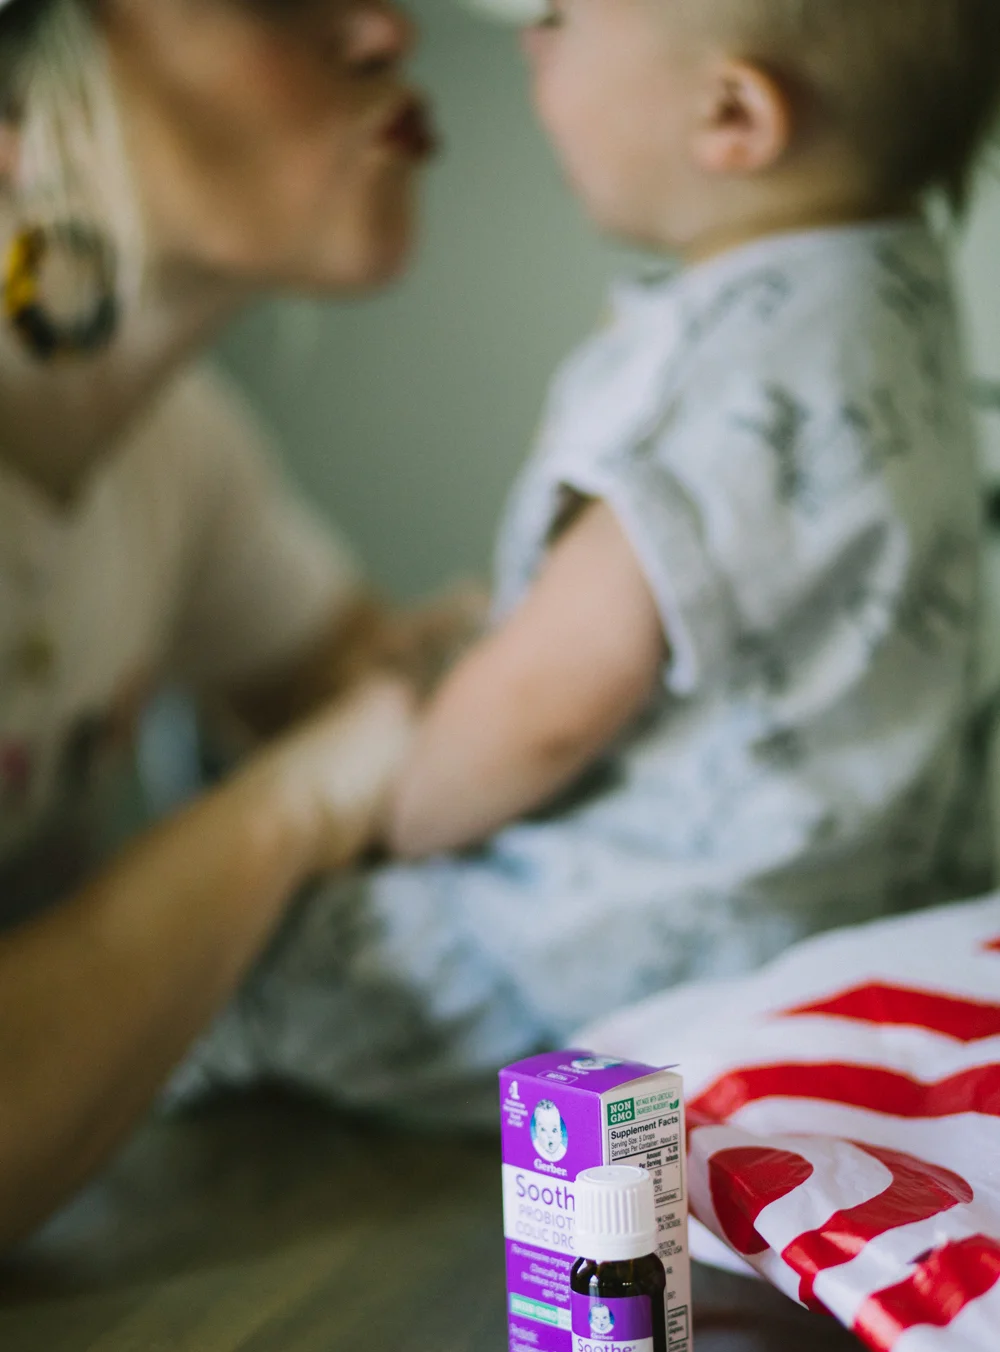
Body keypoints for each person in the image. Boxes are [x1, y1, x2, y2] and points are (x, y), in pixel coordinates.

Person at [164, 0, 1000, 1127]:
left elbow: (547, 708)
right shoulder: (898, 306)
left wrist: (395, 806)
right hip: (859, 911)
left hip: (627, 957)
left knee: (253, 964)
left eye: (558, 17)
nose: (527, 39)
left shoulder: (715, 372)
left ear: (732, 116)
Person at [0, 0, 455, 1247]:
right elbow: (349, 746)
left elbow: (361, 691)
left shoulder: (178, 447)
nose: (385, 30)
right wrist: (289, 805)